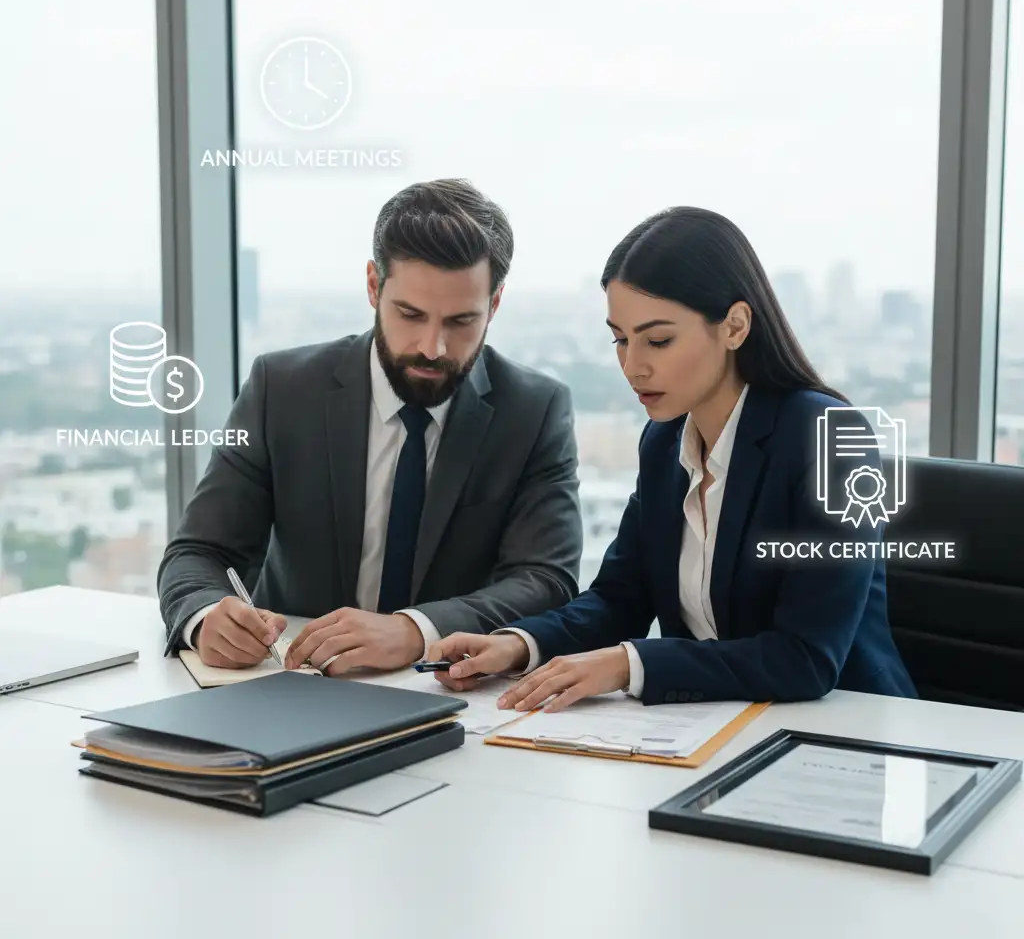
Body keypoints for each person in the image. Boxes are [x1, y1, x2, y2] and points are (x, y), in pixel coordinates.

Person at [426, 206, 918, 711]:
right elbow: (621, 598)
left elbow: (805, 658)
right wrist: (518, 645)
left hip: (848, 733)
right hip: (714, 722)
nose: (632, 365)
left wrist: (626, 663)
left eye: (658, 340)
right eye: (620, 338)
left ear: (734, 326)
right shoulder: (663, 443)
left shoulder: (827, 439)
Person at [157, 178, 583, 675]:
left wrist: (415, 630)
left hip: (445, 690)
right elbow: (199, 551)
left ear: (495, 304)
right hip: (293, 682)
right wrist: (207, 617)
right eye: (410, 314)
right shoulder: (283, 389)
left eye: (461, 322)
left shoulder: (534, 410)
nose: (433, 347)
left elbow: (546, 578)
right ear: (373, 286)